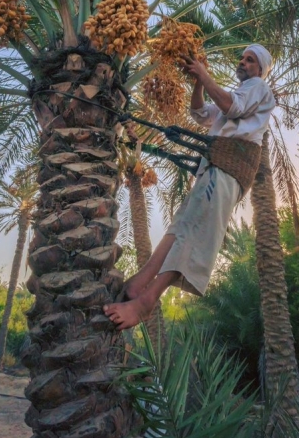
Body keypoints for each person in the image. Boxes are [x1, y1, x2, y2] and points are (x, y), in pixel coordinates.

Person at [104, 44, 276, 330]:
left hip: (228, 169)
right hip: (213, 168)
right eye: (243, 58)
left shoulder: (258, 88)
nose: (243, 63)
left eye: (250, 60)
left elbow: (230, 106)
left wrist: (203, 73)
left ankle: (146, 302)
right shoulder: (239, 93)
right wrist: (198, 82)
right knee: (180, 228)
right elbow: (199, 112)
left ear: (260, 70)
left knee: (193, 232)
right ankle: (139, 284)